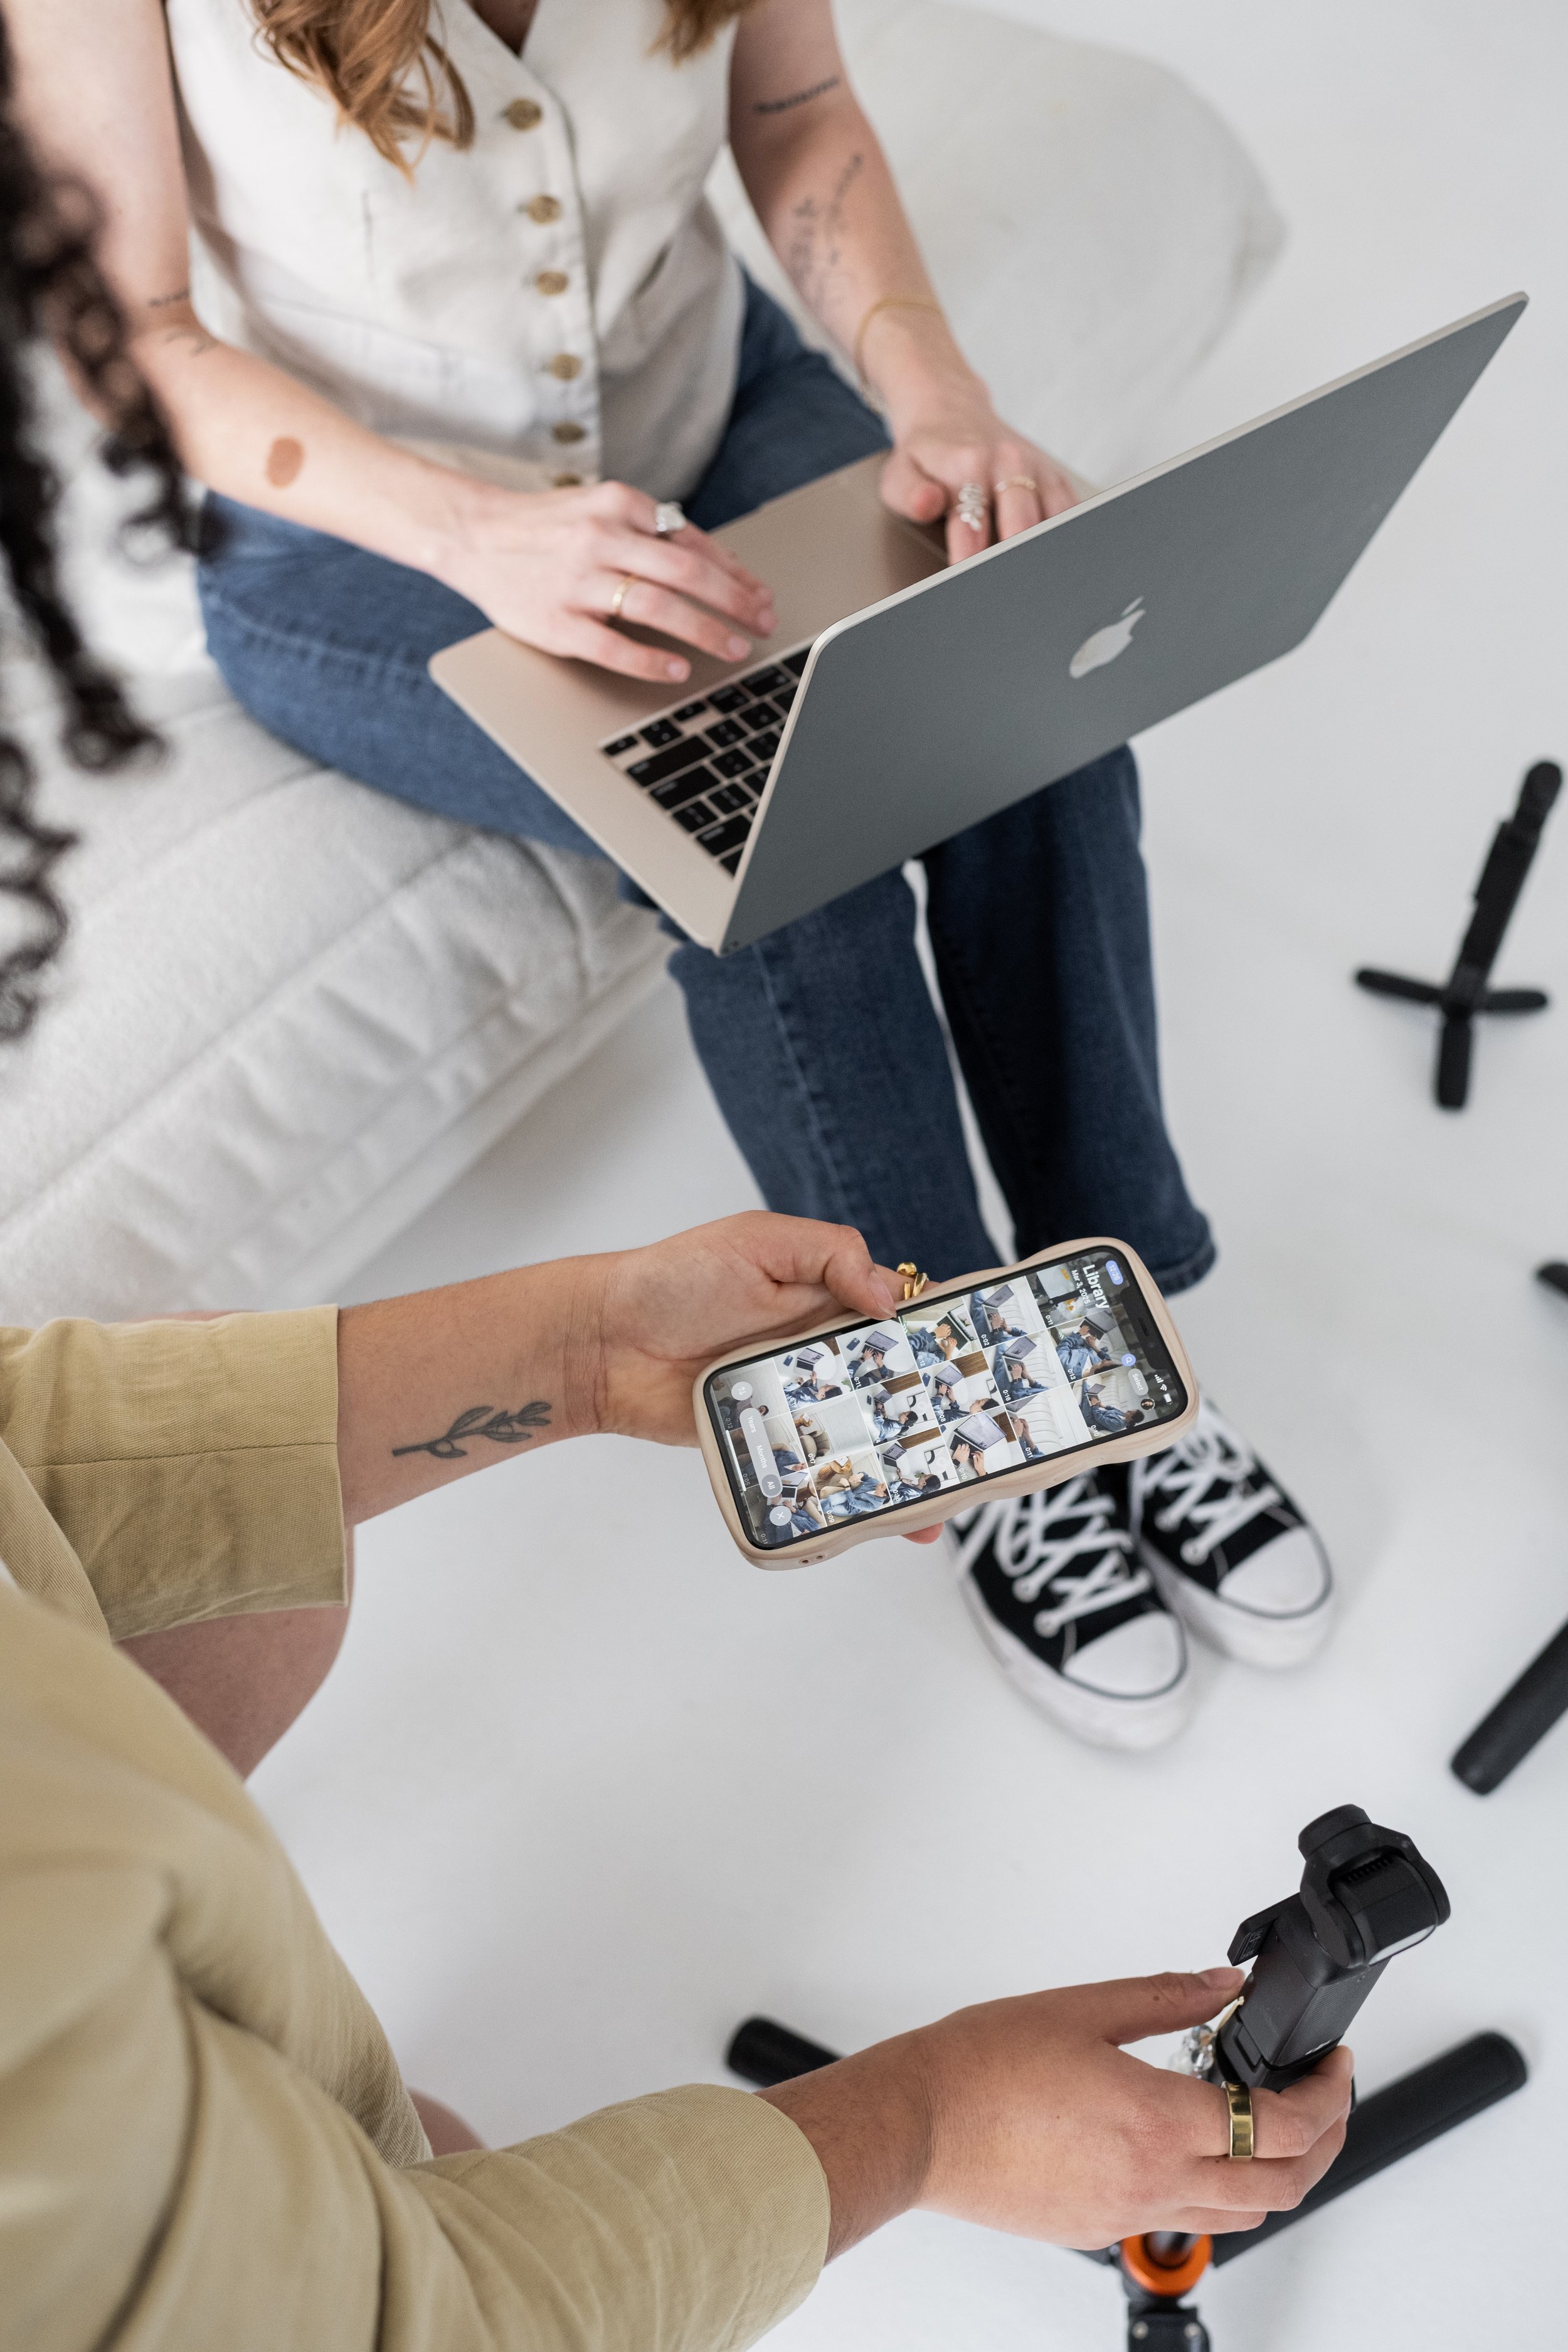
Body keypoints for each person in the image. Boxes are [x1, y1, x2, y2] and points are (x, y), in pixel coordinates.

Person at [6, 0, 1333, 1749]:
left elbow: (790, 106)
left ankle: (1114, 1334)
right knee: (772, 852)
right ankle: (967, 1422)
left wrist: (937, 396)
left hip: (706, 405)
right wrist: (475, 534)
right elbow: (136, 329)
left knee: (1031, 714)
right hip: (366, 542)